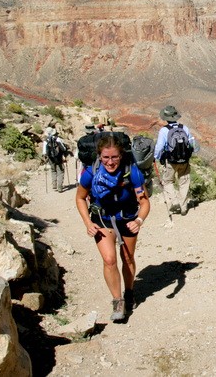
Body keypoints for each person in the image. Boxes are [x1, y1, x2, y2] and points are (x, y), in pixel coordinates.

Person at [75, 135, 150, 321]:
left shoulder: (132, 172)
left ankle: (130, 291)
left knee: (127, 257)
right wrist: (87, 223)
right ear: (99, 156)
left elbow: (144, 202)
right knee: (109, 260)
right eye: (106, 157)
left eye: (114, 157)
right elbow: (80, 198)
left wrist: (139, 221)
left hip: (128, 219)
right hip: (102, 219)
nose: (110, 162)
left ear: (121, 155)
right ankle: (118, 301)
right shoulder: (91, 173)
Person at [154, 105, 198, 216]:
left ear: (166, 118)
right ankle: (183, 207)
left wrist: (157, 157)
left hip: (171, 161)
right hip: (185, 160)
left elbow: (159, 147)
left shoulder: (164, 130)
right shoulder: (184, 128)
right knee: (184, 182)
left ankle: (175, 201)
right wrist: (191, 153)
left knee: (167, 181)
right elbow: (193, 143)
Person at [42, 127, 67, 192]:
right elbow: (63, 148)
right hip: (58, 157)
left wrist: (46, 157)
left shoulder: (45, 141)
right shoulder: (58, 139)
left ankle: (54, 185)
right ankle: (60, 187)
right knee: (60, 171)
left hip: (50, 158)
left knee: (53, 170)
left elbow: (44, 152)